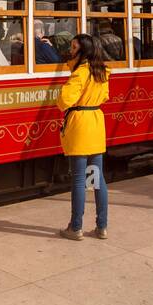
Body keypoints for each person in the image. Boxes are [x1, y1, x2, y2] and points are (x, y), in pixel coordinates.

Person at [56, 34, 110, 240]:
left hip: (80, 124)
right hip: (96, 121)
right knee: (96, 178)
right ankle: (101, 226)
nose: (70, 50)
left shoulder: (80, 73)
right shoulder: (102, 71)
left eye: (73, 47)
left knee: (79, 179)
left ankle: (76, 227)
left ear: (82, 50)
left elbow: (64, 100)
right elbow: (105, 96)